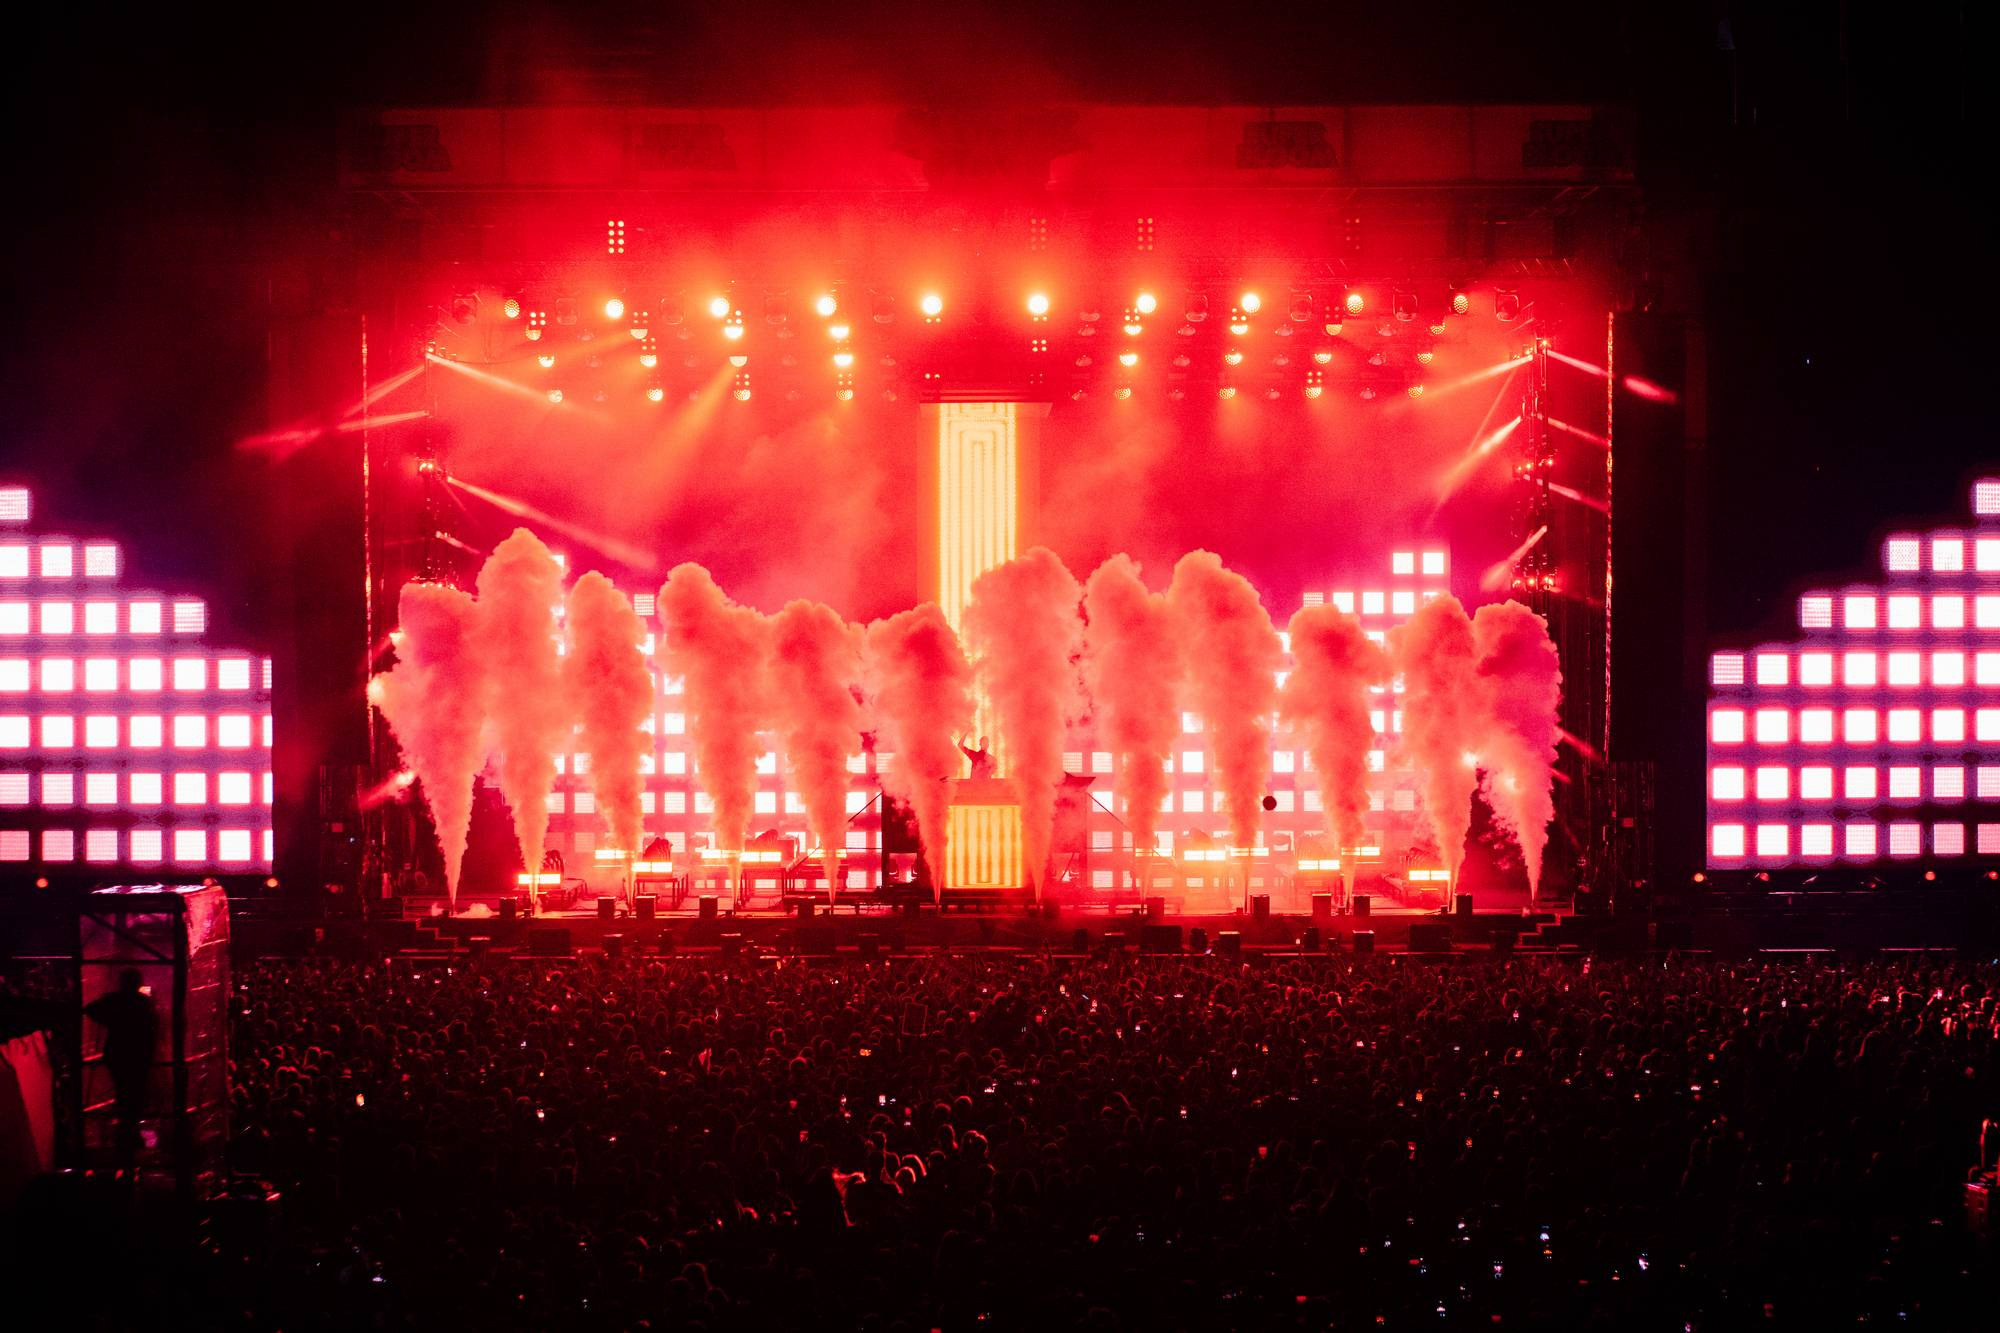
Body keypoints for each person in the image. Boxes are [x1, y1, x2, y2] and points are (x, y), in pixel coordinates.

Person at [85, 968, 156, 1168]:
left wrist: (111, 1020)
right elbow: (152, 1029)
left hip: (117, 1054)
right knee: (134, 1095)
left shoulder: (115, 1000)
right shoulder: (142, 1003)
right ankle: (128, 1134)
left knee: (123, 1092)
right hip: (137, 1056)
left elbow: (91, 1009)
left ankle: (124, 1135)